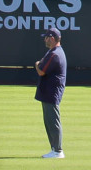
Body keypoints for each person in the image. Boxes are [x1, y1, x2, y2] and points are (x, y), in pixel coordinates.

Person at [34, 27, 66, 159]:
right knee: (49, 121)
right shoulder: (53, 52)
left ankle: (58, 150)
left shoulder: (55, 54)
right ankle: (54, 149)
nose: (44, 40)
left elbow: (41, 71)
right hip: (49, 91)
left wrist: (37, 64)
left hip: (51, 92)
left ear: (52, 38)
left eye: (46, 37)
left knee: (53, 121)